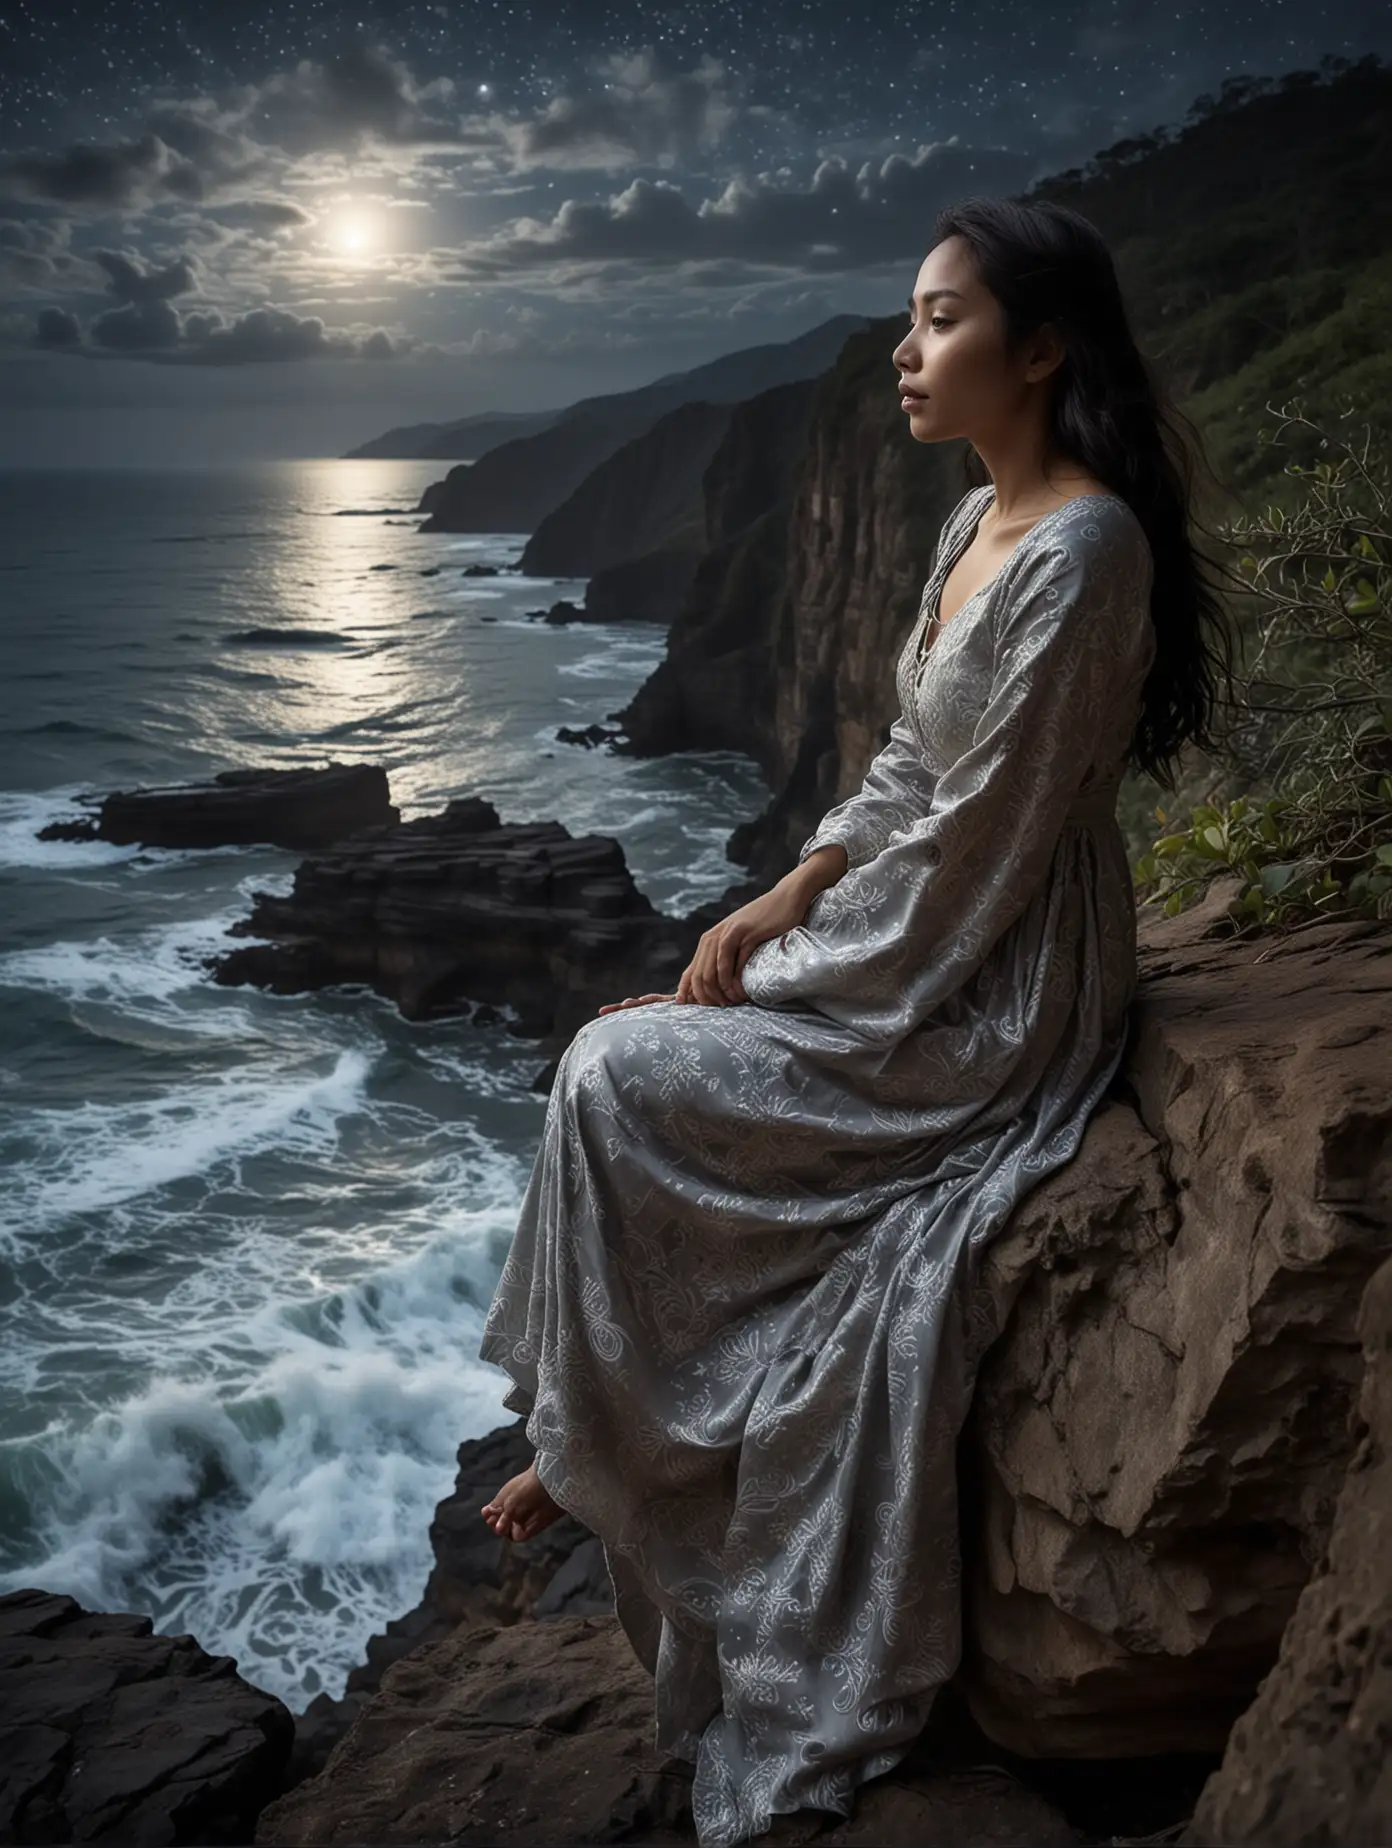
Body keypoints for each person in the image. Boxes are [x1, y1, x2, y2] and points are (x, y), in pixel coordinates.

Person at [476, 195, 1236, 1848]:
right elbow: (904, 776)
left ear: (1041, 350)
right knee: (619, 1068)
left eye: (943, 319)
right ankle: (603, 1440)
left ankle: (600, 1450)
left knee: (615, 1073)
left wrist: (798, 991)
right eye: (911, 315)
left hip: (998, 974)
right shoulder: (970, 528)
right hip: (906, 930)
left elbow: (981, 850)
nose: (906, 347)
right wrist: (773, 903)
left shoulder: (1085, 553)